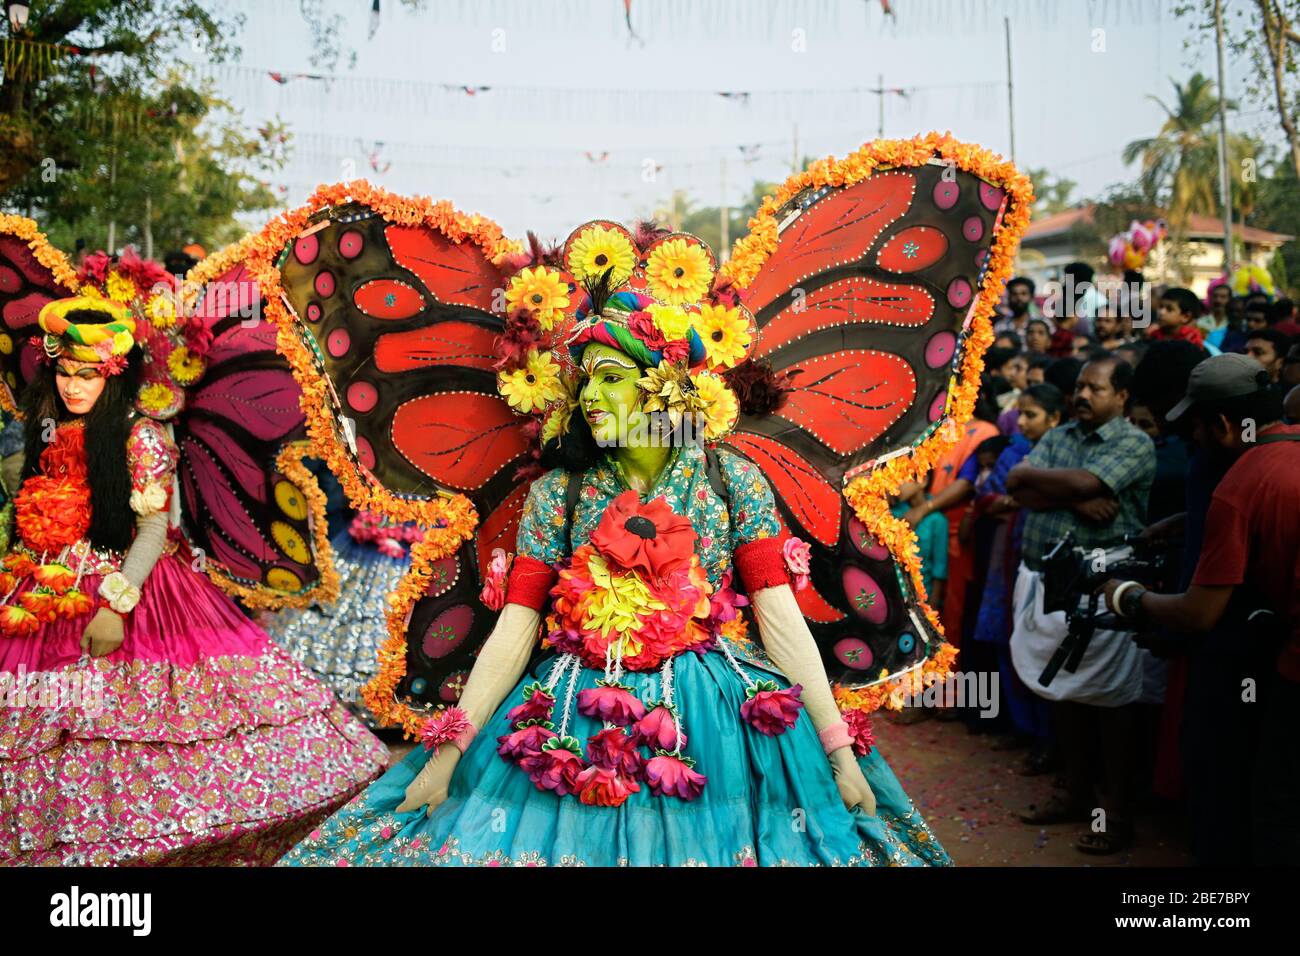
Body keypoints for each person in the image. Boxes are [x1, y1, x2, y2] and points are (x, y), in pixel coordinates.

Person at [279, 238, 951, 868]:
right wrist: (447, 754)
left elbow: (780, 621)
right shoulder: (559, 494)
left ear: (662, 381)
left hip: (714, 724)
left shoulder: (730, 479)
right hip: (571, 719)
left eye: (606, 377)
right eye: (582, 382)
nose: (588, 397)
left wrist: (838, 750)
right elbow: (517, 628)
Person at [0, 298, 388, 865]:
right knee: (39, 733)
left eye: (86, 375)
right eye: (63, 372)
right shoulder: (47, 428)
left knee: (128, 734)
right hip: (39, 595)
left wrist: (117, 604)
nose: (71, 386)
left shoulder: (141, 437)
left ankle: (135, 852)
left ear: (113, 374)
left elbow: (153, 527)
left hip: (128, 588)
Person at [1100, 354, 1299, 864]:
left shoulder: (1239, 483)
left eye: (1195, 425)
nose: (1192, 439)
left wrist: (1129, 596)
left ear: (1223, 424)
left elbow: (1199, 613)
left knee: (1272, 809)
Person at [1005, 356, 1156, 854]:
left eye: (1097, 388)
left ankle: (1114, 812)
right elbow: (1015, 484)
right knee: (1063, 695)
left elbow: (1081, 484)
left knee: (1109, 701)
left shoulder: (1133, 442)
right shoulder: (1062, 434)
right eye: (1081, 387)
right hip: (1049, 584)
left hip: (1103, 587)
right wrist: (1072, 496)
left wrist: (1061, 486)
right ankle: (1074, 792)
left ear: (1122, 397)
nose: (1083, 395)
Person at [971, 384, 1064, 767]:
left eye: (1032, 415)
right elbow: (987, 497)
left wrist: (1018, 498)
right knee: (1008, 637)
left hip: (1042, 558)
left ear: (1055, 419)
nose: (1022, 422)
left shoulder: (1061, 452)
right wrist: (1010, 500)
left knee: (1043, 642)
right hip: (1005, 553)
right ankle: (1022, 728)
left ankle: (1048, 739)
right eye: (1021, 414)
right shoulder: (1013, 451)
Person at [890, 478, 947, 611]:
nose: (897, 483)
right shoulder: (892, 514)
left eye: (902, 477)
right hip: (895, 595)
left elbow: (939, 569)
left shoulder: (938, 521)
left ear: (923, 480)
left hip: (922, 596)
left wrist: (932, 607)